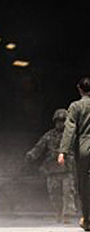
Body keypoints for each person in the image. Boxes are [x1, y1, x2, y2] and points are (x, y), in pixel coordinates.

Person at [26, 108, 77, 222]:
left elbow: (80, 147)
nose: (60, 123)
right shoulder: (49, 135)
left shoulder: (71, 135)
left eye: (63, 120)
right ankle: (59, 211)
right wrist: (32, 155)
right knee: (54, 193)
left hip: (67, 168)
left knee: (68, 192)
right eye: (58, 120)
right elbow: (40, 146)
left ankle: (67, 215)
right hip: (52, 168)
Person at [59, 77, 90, 230]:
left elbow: (69, 129)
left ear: (79, 89)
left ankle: (88, 219)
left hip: (84, 149)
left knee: (84, 185)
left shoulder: (76, 106)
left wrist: (63, 151)